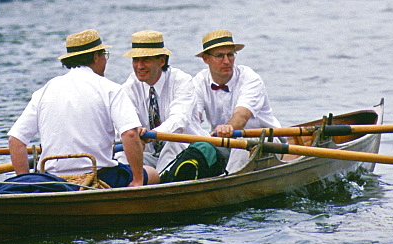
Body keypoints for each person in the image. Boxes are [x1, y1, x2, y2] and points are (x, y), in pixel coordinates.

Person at [8, 29, 157, 187]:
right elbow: (130, 135)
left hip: (50, 179)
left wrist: (25, 182)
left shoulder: (44, 90)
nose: (105, 61)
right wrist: (137, 180)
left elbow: (15, 141)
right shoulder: (110, 88)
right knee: (152, 173)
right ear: (95, 57)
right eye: (104, 55)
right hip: (99, 176)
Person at [192, 29, 281, 172]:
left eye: (230, 55)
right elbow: (194, 117)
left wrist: (229, 127)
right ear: (205, 59)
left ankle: (227, 186)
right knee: (199, 147)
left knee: (241, 143)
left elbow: (241, 116)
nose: (227, 61)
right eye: (219, 56)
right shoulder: (198, 82)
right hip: (225, 143)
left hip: (266, 141)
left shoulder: (250, 78)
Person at [120, 30, 207, 173]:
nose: (139, 66)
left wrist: (151, 134)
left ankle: (158, 185)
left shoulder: (182, 81)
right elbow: (124, 124)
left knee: (173, 143)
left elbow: (179, 120)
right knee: (122, 154)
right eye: (136, 60)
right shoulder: (129, 87)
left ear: (162, 61)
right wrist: (135, 134)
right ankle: (129, 185)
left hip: (187, 151)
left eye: (146, 59)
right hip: (152, 155)